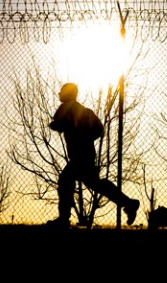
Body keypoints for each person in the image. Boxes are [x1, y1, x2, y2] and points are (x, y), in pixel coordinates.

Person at [46, 82, 139, 228]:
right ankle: (129, 203)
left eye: (62, 92)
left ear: (68, 93)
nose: (59, 94)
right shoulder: (85, 111)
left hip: (79, 156)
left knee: (66, 180)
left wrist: (57, 126)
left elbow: (59, 123)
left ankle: (63, 220)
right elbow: (99, 129)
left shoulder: (67, 107)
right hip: (87, 154)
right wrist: (86, 138)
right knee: (96, 184)